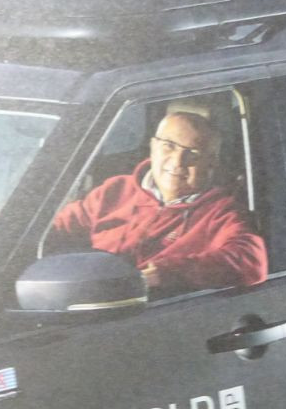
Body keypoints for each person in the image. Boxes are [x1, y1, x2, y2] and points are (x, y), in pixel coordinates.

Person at [45, 111, 268, 293]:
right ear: (153, 147)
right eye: (169, 146)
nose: (177, 162)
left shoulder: (222, 213)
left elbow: (251, 262)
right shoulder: (114, 190)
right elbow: (52, 230)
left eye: (193, 153)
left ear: (211, 162)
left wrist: (165, 274)